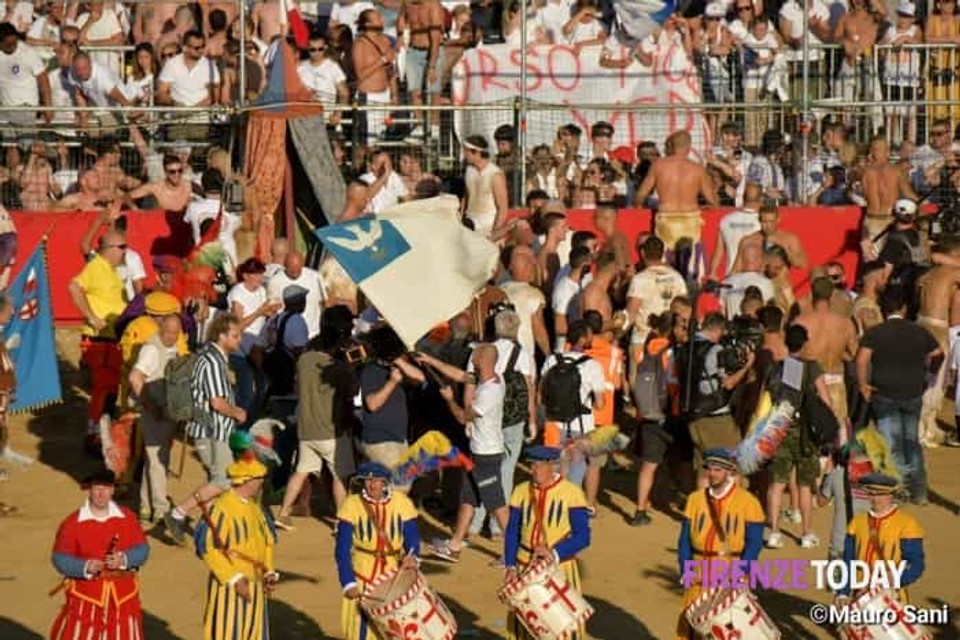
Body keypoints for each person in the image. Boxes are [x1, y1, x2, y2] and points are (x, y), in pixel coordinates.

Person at [165, 314, 248, 544]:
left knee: (218, 481)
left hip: (211, 429)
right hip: (212, 430)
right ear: (221, 336)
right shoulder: (212, 361)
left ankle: (210, 531)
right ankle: (178, 513)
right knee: (224, 481)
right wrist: (237, 412)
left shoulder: (211, 357)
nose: (239, 340)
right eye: (235, 335)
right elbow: (217, 403)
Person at [275, 306, 357, 530]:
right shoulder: (338, 367)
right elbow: (352, 391)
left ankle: (283, 513)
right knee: (340, 475)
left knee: (301, 470)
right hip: (331, 430)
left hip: (306, 428)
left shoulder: (304, 360)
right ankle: (342, 521)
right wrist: (352, 367)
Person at [857, 290, 942, 505]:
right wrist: (929, 377)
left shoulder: (876, 333)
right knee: (911, 442)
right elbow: (937, 354)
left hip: (884, 393)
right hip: (913, 392)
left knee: (890, 442)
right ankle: (920, 491)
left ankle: (896, 489)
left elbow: (861, 360)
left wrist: (862, 384)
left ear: (883, 310)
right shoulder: (918, 331)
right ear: (903, 309)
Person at [428, 343, 510, 562]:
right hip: (478, 452)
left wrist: (449, 399)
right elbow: (456, 373)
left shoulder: (489, 392)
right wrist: (430, 361)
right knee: (467, 498)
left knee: (496, 504)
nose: (471, 356)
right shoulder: (489, 380)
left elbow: (463, 417)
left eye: (475, 354)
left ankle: (512, 553)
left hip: (486, 455)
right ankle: (454, 546)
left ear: (482, 360)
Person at [502, 446, 591, 640]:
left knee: (562, 627)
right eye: (532, 464)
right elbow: (512, 532)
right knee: (525, 628)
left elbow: (583, 536)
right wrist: (510, 565)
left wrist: (555, 553)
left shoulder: (571, 493)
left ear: (553, 466)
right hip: (524, 565)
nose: (534, 469)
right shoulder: (520, 491)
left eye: (540, 465)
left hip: (559, 569)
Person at [50, 469, 150, 640]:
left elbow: (143, 549)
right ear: (89, 490)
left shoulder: (128, 517)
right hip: (87, 598)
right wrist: (84, 566)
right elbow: (60, 558)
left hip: (123, 597)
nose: (101, 493)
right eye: (97, 487)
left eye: (106, 487)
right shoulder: (72, 523)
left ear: (112, 490)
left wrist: (124, 559)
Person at [676, 449, 764, 640]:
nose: (713, 474)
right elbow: (684, 540)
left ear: (729, 472)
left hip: (729, 573)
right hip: (698, 572)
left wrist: (740, 574)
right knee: (690, 628)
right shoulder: (694, 499)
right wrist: (685, 568)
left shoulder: (749, 503)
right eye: (710, 469)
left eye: (718, 470)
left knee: (724, 630)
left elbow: (754, 544)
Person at [765, 325, 835, 549]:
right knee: (805, 485)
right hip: (805, 433)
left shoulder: (775, 368)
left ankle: (774, 533)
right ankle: (806, 533)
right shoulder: (811, 368)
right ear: (804, 343)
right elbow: (826, 400)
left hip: (779, 429)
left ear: (786, 342)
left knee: (777, 484)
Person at [195, 457, 279, 640]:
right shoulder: (222, 508)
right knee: (228, 632)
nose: (261, 483)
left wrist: (269, 571)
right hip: (229, 586)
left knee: (254, 633)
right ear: (245, 481)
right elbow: (209, 548)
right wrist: (234, 578)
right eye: (258, 479)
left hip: (256, 582)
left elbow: (267, 542)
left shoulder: (256, 508)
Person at [335, 462, 421, 640]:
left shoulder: (402, 503)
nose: (372, 484)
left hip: (392, 576)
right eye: (367, 480)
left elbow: (413, 539)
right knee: (359, 627)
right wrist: (348, 582)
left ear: (385, 483)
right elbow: (342, 549)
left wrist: (412, 557)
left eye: (377, 480)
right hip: (362, 575)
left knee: (393, 628)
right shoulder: (351, 504)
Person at [68, 230, 128, 452]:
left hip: (110, 338)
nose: (125, 251)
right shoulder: (97, 267)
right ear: (110, 249)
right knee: (103, 390)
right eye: (122, 247)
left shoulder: (109, 270)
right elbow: (73, 287)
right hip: (99, 339)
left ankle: (102, 433)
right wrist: (92, 317)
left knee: (109, 389)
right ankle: (95, 436)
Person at [678, 312, 754, 485]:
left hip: (692, 414)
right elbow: (727, 384)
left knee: (704, 468)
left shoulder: (685, 347)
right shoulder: (715, 350)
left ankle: (701, 511)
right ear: (718, 329)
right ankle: (729, 509)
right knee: (733, 465)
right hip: (716, 416)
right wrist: (746, 367)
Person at [635, 130, 717, 279]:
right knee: (692, 272)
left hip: (666, 219)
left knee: (665, 270)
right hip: (691, 219)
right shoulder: (697, 168)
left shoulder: (659, 165)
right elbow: (712, 201)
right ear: (689, 146)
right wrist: (705, 206)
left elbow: (641, 194)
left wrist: (638, 208)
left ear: (671, 146)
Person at [540, 321, 606, 503]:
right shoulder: (592, 365)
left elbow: (542, 393)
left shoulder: (551, 360)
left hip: (553, 424)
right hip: (581, 425)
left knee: (554, 472)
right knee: (575, 474)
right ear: (583, 338)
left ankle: (551, 510)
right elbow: (600, 404)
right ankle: (568, 514)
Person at [128, 314, 183, 524]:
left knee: (155, 459)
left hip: (163, 412)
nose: (171, 336)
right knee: (158, 461)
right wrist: (151, 406)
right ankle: (160, 508)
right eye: (168, 332)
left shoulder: (171, 348)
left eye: (175, 333)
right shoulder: (152, 349)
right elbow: (135, 377)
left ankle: (145, 505)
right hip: (154, 412)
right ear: (161, 328)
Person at [838, 472, 924, 604]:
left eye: (881, 494)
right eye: (871, 494)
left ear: (891, 495)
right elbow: (848, 561)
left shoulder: (907, 524)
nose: (875, 499)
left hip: (890, 597)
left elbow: (915, 565)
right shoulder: (856, 522)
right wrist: (843, 593)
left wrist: (892, 580)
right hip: (860, 596)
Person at [793, 276, 857, 433]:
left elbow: (793, 359)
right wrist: (839, 353)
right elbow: (855, 354)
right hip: (837, 384)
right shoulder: (845, 323)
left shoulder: (800, 323)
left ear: (811, 294)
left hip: (812, 385)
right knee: (840, 435)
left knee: (812, 437)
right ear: (832, 295)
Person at [916, 239, 960, 447]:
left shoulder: (926, 276)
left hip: (920, 323)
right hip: (937, 328)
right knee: (935, 381)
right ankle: (925, 430)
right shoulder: (950, 273)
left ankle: (925, 426)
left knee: (923, 377)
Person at [626, 236, 687, 378]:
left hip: (642, 340)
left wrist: (617, 334)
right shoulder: (677, 277)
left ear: (643, 253)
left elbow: (630, 314)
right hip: (668, 341)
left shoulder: (640, 279)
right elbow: (684, 308)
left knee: (640, 387)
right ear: (663, 253)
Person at [863, 136, 920, 244]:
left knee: (870, 257)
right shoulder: (897, 171)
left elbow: (866, 195)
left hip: (871, 219)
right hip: (890, 219)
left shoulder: (866, 171)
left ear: (871, 151)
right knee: (889, 257)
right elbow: (909, 194)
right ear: (888, 151)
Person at [733, 204, 808, 273]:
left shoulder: (789, 239)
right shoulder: (748, 240)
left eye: (771, 221)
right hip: (756, 282)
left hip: (779, 283)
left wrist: (786, 251)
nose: (768, 226)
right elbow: (736, 269)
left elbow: (802, 264)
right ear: (759, 221)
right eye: (765, 222)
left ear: (778, 220)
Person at [710, 182, 763, 280]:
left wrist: (713, 272)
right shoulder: (762, 222)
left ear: (743, 197)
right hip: (755, 277)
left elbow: (719, 251)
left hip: (731, 276)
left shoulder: (726, 220)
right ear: (761, 199)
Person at [266, 251, 323, 340]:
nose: (295, 274)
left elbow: (325, 302)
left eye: (298, 270)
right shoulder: (275, 281)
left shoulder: (315, 277)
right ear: (285, 265)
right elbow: (271, 310)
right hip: (287, 336)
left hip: (313, 335)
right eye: (292, 270)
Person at [463, 135, 509, 237]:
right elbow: (466, 197)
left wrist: (495, 233)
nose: (464, 154)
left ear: (476, 152)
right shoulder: (469, 171)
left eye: (466, 151)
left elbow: (503, 208)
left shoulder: (495, 174)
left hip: (487, 226)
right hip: (469, 223)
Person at [721, 244, 775, 318]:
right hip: (758, 328)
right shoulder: (767, 283)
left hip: (733, 327)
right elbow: (771, 310)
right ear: (759, 260)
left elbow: (722, 310)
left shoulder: (726, 282)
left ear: (742, 259)